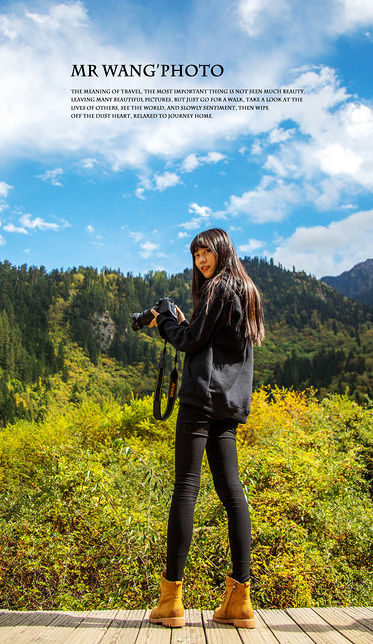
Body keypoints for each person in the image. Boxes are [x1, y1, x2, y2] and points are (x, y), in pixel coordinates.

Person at [147, 228, 264, 629]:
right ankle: (240, 600)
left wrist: (164, 322)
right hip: (230, 403)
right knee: (233, 493)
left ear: (222, 251)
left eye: (206, 252)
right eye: (196, 254)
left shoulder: (218, 288)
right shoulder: (246, 290)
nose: (200, 259)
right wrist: (182, 319)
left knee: (186, 488)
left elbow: (193, 340)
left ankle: (171, 600)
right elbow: (211, 338)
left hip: (200, 401)